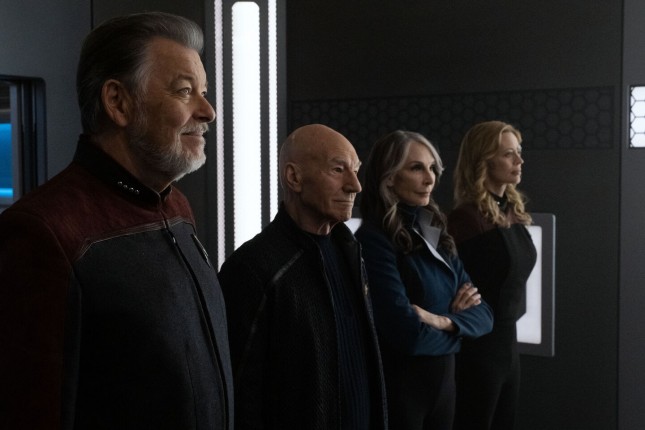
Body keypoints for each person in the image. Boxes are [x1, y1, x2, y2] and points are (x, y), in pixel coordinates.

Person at [0, 12, 233, 430]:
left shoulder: (177, 208)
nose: (208, 111)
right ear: (118, 102)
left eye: (203, 92)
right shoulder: (44, 232)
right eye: (185, 91)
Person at [217, 124, 387, 430]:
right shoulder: (252, 267)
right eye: (338, 169)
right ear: (294, 178)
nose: (355, 185)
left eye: (356, 170)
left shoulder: (350, 251)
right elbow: (241, 392)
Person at [355, 130, 493, 430]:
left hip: (444, 389)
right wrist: (459, 330)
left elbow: (485, 316)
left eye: (432, 168)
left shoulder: (433, 229)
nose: (430, 179)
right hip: (400, 389)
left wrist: (440, 321)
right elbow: (408, 334)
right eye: (417, 168)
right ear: (389, 177)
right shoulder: (373, 240)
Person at [448, 120, 537, 430]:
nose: (519, 161)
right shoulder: (466, 219)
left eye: (519, 152)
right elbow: (450, 281)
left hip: (508, 346)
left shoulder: (513, 211)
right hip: (478, 347)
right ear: (483, 160)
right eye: (508, 154)